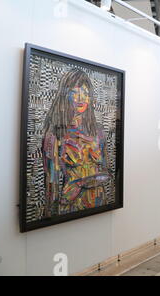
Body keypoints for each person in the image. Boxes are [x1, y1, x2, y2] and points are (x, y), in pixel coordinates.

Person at [42, 68, 111, 217]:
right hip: (71, 205)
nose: (81, 98)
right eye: (75, 92)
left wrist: (82, 181)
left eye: (85, 93)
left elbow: (107, 171)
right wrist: (49, 219)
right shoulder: (55, 134)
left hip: (99, 202)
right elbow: (51, 184)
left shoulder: (98, 131)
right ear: (65, 96)